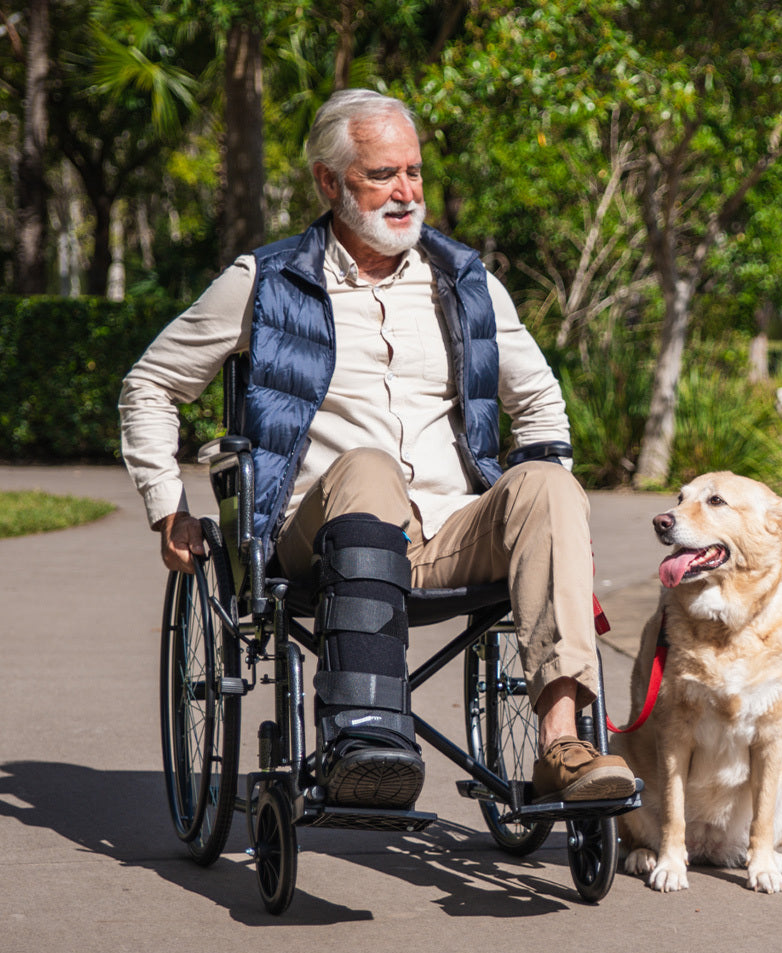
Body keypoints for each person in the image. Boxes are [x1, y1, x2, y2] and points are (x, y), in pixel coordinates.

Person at [120, 88, 635, 812]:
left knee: (549, 484)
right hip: (317, 536)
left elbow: (539, 402)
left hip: (450, 533)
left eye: (414, 172)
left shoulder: (466, 282)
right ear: (329, 183)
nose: (405, 192)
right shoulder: (267, 281)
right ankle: (366, 737)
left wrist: (550, 516)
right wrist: (167, 506)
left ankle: (563, 745)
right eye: (382, 174)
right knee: (368, 467)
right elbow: (150, 383)